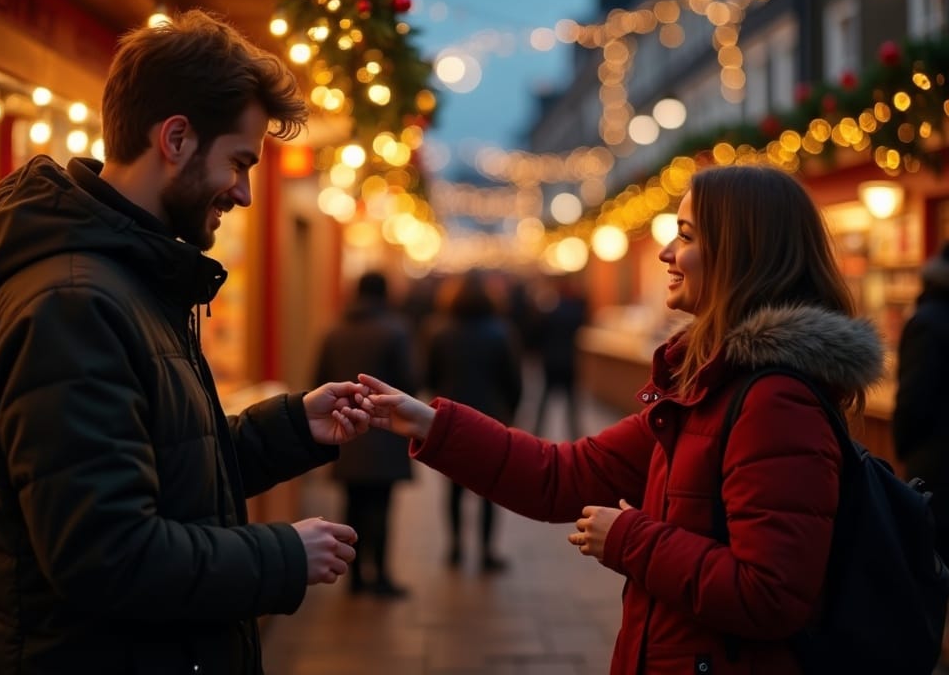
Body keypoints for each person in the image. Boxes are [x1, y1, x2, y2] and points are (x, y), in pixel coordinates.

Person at [0, 10, 372, 675]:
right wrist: (282, 555)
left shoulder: (125, 281)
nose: (245, 192)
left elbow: (164, 467)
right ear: (175, 138)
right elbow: (105, 553)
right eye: (238, 161)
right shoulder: (73, 304)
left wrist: (294, 427)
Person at [357, 164, 885, 675]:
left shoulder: (774, 402)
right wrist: (430, 424)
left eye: (686, 235)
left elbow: (771, 594)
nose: (666, 252)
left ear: (742, 254)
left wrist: (631, 540)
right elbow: (560, 475)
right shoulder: (703, 393)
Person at [314, 270, 417, 598]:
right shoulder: (396, 332)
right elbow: (409, 383)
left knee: (352, 504)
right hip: (383, 433)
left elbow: (318, 378)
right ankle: (381, 575)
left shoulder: (334, 331)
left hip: (344, 430)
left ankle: (354, 576)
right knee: (382, 507)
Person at [424, 269, 522, 572]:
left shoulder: (439, 330)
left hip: (450, 417)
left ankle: (455, 547)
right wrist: (509, 415)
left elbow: (429, 376)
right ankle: (486, 550)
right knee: (490, 488)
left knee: (453, 487)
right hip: (491, 416)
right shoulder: (500, 331)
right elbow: (513, 381)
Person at [893, 241, 949, 668]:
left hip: (935, 466)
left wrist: (903, 450)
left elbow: (912, 401)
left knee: (930, 574)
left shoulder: (928, 321)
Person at [532, 273, 588, 439]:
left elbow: (537, 332)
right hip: (569, 360)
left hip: (551, 360)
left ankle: (536, 432)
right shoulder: (575, 310)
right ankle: (576, 436)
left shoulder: (549, 310)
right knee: (572, 403)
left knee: (544, 401)